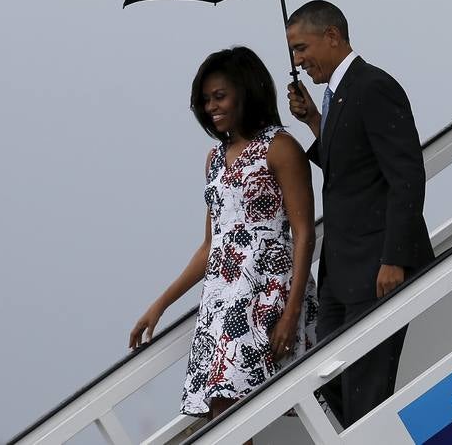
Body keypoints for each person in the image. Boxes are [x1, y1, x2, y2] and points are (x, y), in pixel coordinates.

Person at [129, 47, 318, 419]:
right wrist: (160, 305)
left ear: (246, 91)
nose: (211, 107)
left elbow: (304, 233)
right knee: (221, 408)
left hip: (269, 291)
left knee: (236, 406)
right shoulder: (213, 159)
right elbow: (211, 246)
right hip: (222, 298)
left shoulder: (280, 148)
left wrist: (291, 310)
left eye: (220, 96)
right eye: (205, 100)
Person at [285, 1, 434, 428]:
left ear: (332, 36)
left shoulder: (373, 86)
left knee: (365, 393)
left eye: (301, 48)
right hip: (341, 274)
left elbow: (406, 175)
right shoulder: (339, 96)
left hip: (377, 269)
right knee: (324, 376)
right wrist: (315, 120)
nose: (297, 61)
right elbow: (353, 167)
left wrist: (394, 258)